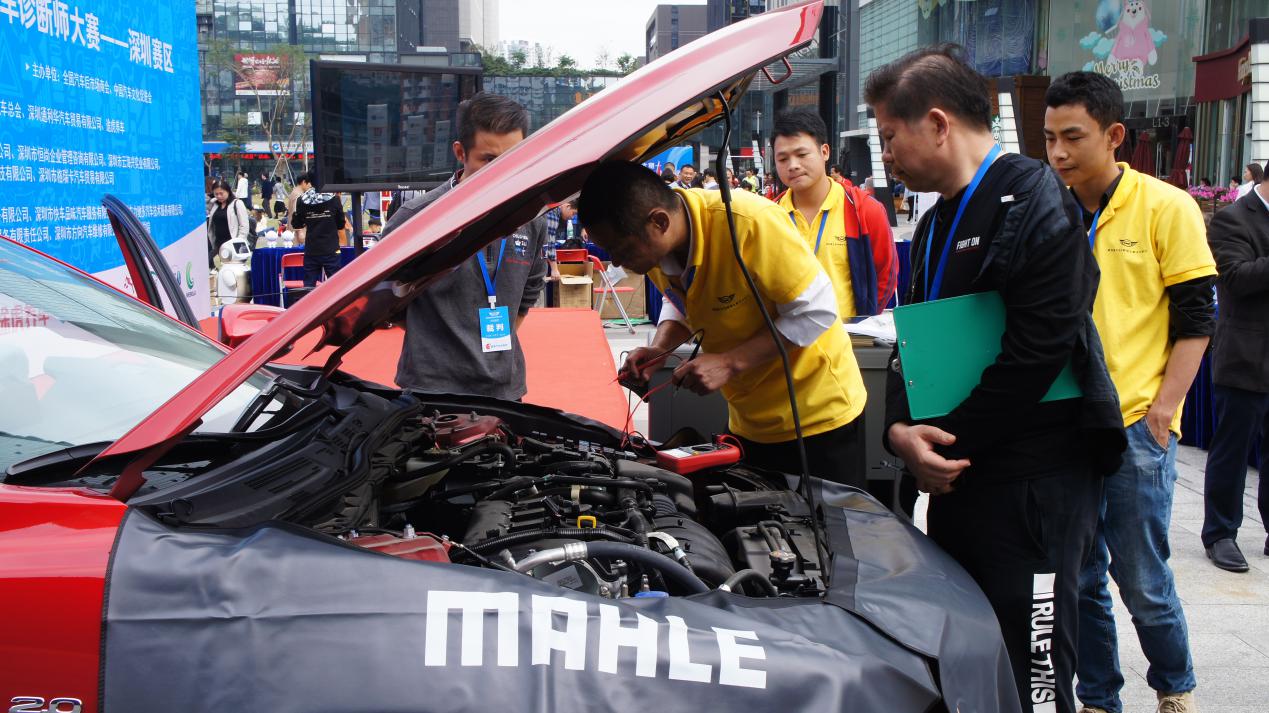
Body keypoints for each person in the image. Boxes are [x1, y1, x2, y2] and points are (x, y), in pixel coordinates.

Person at [868, 46, 1125, 713]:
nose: (886, 156)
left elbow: (1037, 351)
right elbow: (911, 338)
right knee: (970, 660)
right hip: (960, 480)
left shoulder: (1034, 199)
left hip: (1032, 484)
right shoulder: (932, 224)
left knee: (1031, 672)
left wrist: (945, 443)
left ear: (936, 123)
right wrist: (900, 431)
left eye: (889, 137)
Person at [1044, 70, 1216, 713]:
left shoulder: (1165, 207)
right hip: (1064, 425)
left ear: (1114, 135)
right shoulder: (1048, 209)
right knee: (1080, 577)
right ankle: (1099, 698)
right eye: (1049, 138)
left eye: (1073, 137)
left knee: (1141, 577)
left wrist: (1164, 412)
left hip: (1135, 422)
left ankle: (1174, 687)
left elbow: (1197, 318)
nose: (1058, 152)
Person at [580, 160, 869, 486]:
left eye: (621, 249)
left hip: (819, 418)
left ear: (659, 221)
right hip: (749, 421)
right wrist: (661, 349)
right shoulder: (657, 248)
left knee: (819, 518)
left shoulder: (748, 223)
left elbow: (817, 311)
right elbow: (682, 300)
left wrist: (729, 363)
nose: (618, 261)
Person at [382, 92, 548, 401]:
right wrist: (433, 341)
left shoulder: (531, 217)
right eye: (489, 160)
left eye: (514, 158)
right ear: (460, 152)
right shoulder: (417, 218)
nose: (504, 172)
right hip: (431, 390)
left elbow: (530, 288)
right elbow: (383, 296)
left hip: (506, 389)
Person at [1203, 167, 1269, 572]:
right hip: (1246, 356)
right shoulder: (1233, 218)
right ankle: (1220, 533)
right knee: (1232, 450)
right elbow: (1236, 277)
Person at [772, 107, 898, 317]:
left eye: (802, 154)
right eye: (783, 159)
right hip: (784, 335)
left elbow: (886, 275)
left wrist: (861, 324)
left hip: (847, 334)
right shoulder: (769, 215)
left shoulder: (864, 210)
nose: (793, 165)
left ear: (825, 152)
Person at [290, 172, 348, 287]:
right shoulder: (334, 199)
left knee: (309, 286)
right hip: (331, 248)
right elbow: (341, 223)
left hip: (312, 249)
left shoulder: (302, 199)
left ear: (310, 180)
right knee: (335, 285)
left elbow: (297, 223)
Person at [206, 179, 249, 267]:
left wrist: (238, 243)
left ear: (228, 191)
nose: (219, 196)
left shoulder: (237, 203)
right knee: (225, 268)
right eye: (216, 194)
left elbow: (244, 226)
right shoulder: (215, 204)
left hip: (234, 243)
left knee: (235, 269)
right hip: (220, 243)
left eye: (221, 193)